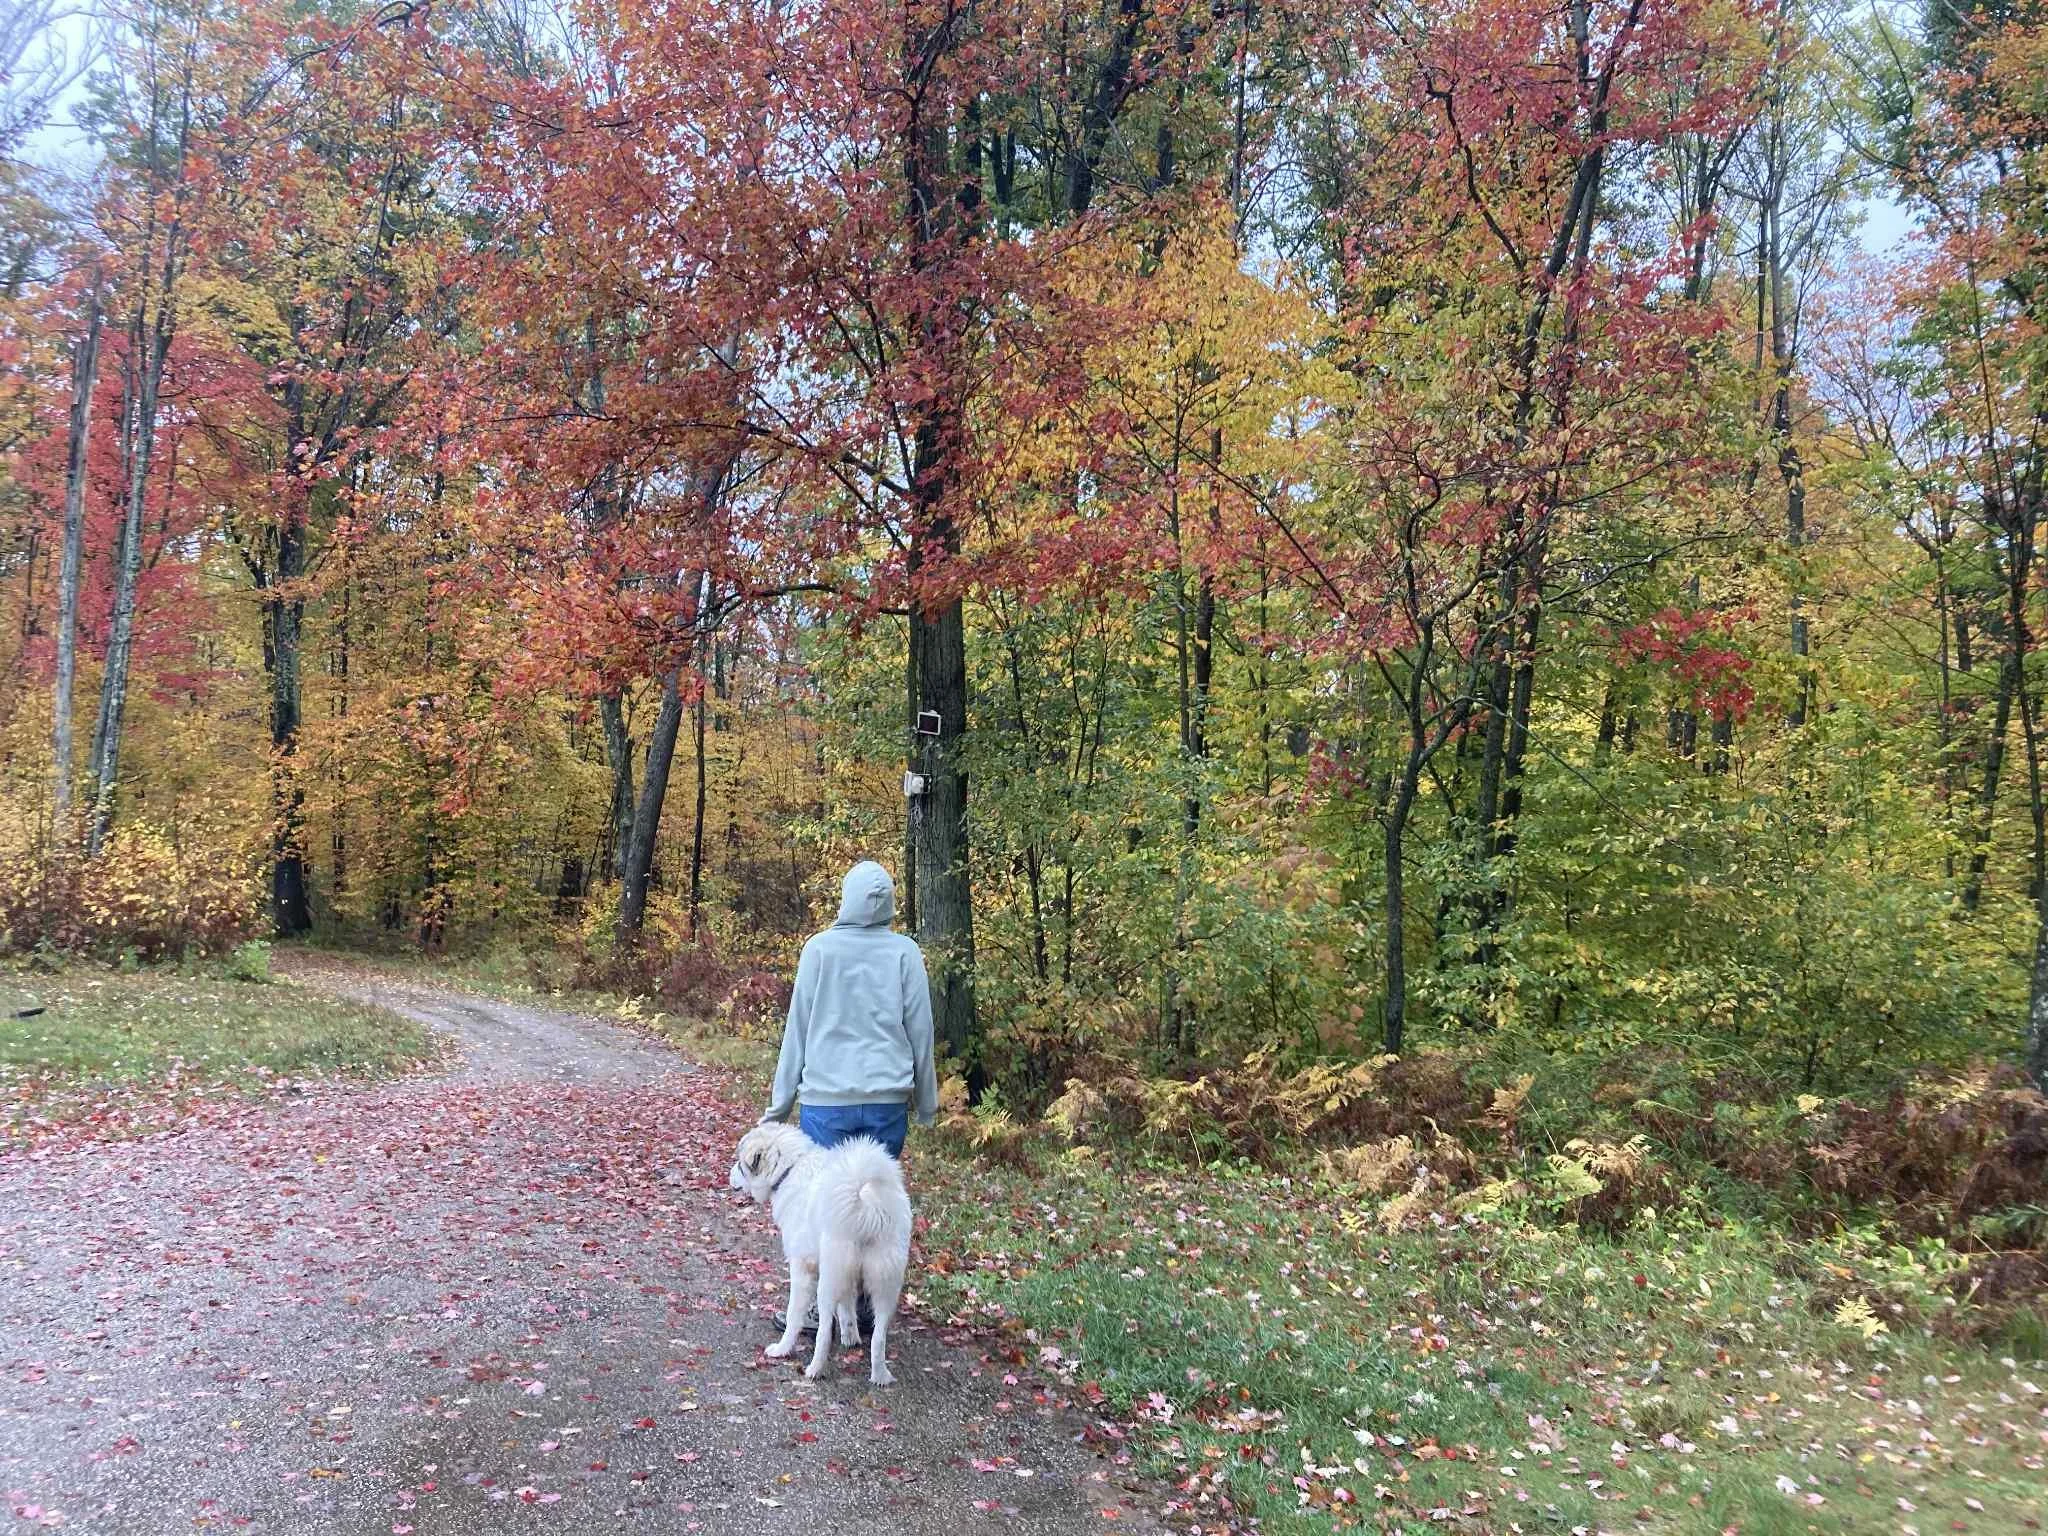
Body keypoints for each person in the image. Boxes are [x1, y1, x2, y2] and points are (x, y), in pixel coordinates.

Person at [762, 860, 939, 1331]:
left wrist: (777, 1108)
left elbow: (796, 1031)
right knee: (871, 1205)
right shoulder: (905, 952)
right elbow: (921, 1032)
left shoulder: (819, 950)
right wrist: (926, 1102)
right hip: (886, 1102)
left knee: (827, 1211)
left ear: (846, 898)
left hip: (826, 1102)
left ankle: (825, 1306)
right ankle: (861, 1306)